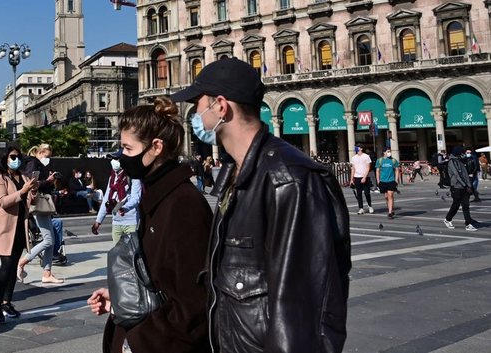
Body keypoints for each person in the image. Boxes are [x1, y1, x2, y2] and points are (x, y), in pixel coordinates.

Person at [173, 57, 350, 352]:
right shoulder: (238, 173)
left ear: (220, 106)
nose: (194, 113)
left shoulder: (288, 179)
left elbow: (303, 306)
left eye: (197, 104)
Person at [87, 97, 212, 352]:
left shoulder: (183, 204)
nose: (122, 157)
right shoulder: (155, 196)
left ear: (156, 147)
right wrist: (123, 298)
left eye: (128, 149)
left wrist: (138, 341)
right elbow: (157, 278)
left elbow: (193, 307)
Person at [0, 148, 38, 322]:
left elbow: (28, 202)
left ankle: (7, 302)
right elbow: (2, 202)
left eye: (18, 157)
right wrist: (22, 192)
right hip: (5, 229)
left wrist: (32, 192)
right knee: (6, 267)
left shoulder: (22, 177)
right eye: (12, 157)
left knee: (13, 265)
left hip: (19, 229)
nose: (16, 160)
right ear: (5, 158)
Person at [17, 143, 65, 284]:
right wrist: (48, 180)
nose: (48, 159)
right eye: (47, 156)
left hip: (42, 205)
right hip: (39, 205)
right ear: (40, 152)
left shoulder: (37, 163)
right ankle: (22, 262)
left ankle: (47, 273)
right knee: (48, 240)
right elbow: (32, 184)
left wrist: (50, 181)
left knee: (50, 242)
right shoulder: (33, 162)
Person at [91, 154, 142, 244]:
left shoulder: (133, 176)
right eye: (113, 158)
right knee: (117, 254)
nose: (113, 161)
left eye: (117, 159)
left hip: (131, 221)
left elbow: (136, 198)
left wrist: (124, 208)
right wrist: (98, 221)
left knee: (132, 253)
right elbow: (106, 199)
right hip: (116, 222)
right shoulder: (112, 178)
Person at [444, 147, 479, 231]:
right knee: (456, 205)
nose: (463, 154)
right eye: (462, 153)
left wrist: (469, 185)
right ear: (458, 153)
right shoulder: (452, 162)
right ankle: (448, 219)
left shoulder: (461, 161)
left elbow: (465, 174)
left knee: (466, 205)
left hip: (465, 187)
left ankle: (468, 223)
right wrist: (465, 185)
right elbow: (457, 175)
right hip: (456, 187)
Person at [350, 145, 374, 214]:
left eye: (358, 147)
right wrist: (351, 179)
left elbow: (368, 167)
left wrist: (364, 177)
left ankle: (370, 206)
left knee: (367, 193)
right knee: (359, 193)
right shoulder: (354, 158)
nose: (356, 148)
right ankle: (361, 208)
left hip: (365, 177)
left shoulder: (366, 156)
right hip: (357, 177)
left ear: (361, 148)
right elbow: (353, 169)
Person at [377, 149, 400, 218]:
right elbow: (377, 171)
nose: (389, 153)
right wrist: (378, 180)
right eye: (388, 151)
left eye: (390, 151)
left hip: (391, 181)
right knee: (386, 196)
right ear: (384, 152)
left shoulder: (393, 160)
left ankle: (390, 212)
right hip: (383, 181)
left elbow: (397, 170)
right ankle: (391, 209)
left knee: (390, 195)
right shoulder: (380, 160)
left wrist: (396, 180)